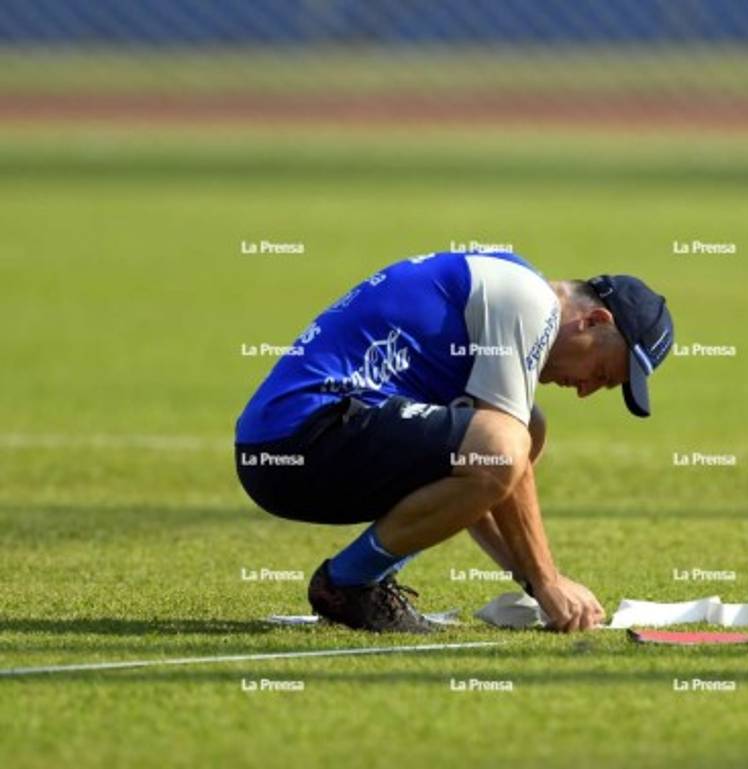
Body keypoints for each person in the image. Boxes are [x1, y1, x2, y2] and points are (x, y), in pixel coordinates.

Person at [234, 250, 673, 633]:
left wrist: (533, 583)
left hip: (287, 446)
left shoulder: (512, 283)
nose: (584, 390)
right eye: (601, 373)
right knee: (506, 440)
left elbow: (478, 483)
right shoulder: (528, 300)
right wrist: (548, 580)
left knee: (525, 430)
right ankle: (348, 583)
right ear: (595, 321)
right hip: (303, 435)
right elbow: (497, 456)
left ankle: (362, 582)